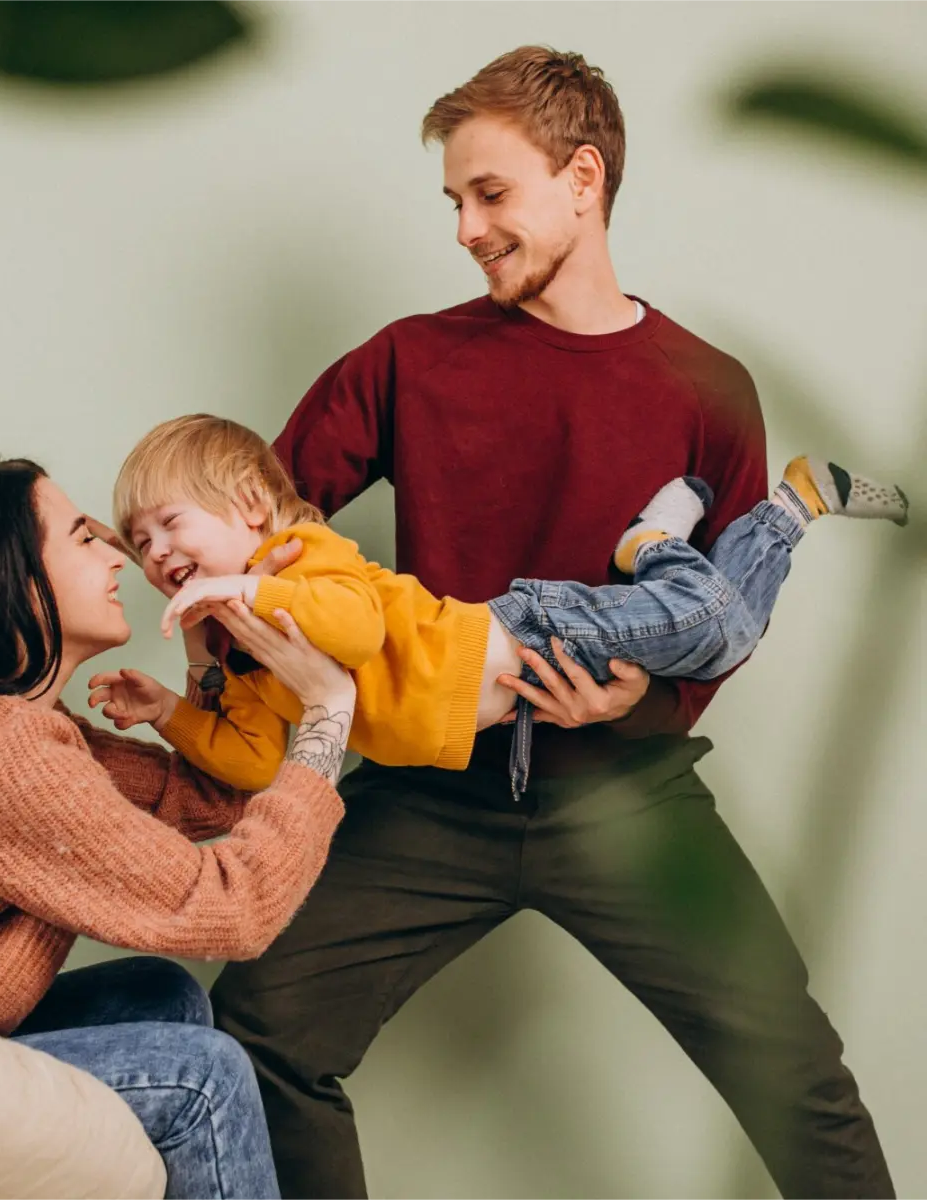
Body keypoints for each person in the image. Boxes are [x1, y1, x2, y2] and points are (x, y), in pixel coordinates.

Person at [209, 46, 897, 1199]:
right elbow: (267, 518)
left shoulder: (708, 388)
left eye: (490, 194)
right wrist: (218, 594)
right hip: (432, 792)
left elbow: (725, 611)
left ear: (583, 178)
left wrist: (646, 698)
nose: (466, 230)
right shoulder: (409, 362)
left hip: (628, 800)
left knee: (799, 1076)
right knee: (255, 1030)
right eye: (453, 202)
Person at [0, 457, 358, 1200]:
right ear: (13, 582)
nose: (119, 557)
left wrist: (210, 655)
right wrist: (329, 713)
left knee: (161, 994)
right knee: (202, 1079)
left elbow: (217, 794)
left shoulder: (14, 729)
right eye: (85, 537)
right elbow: (234, 909)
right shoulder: (1, 753)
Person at [93, 413, 905, 799]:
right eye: (140, 542)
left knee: (719, 628)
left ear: (249, 505)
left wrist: (246, 588)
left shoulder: (302, 556)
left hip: (532, 632)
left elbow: (355, 630)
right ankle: (666, 542)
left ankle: (767, 513)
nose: (156, 552)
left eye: (170, 524)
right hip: (528, 688)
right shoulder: (239, 652)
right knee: (719, 627)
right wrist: (172, 707)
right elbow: (255, 761)